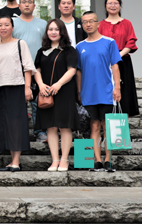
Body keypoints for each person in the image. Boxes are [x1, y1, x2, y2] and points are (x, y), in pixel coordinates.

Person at [76, 11, 122, 173]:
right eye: (85, 22)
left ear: (98, 23)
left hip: (107, 91)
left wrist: (117, 88)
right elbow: (78, 71)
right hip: (88, 93)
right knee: (93, 125)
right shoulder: (79, 46)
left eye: (91, 21)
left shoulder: (109, 42)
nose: (88, 24)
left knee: (107, 126)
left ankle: (108, 160)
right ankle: (97, 160)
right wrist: (79, 91)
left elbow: (115, 66)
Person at [0, 16, 34, 172]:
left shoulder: (20, 44)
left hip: (16, 86)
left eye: (6, 25)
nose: (3, 28)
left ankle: (16, 161)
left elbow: (28, 67)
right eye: (0, 25)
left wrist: (27, 87)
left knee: (16, 123)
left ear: (12, 27)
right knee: (4, 124)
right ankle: (11, 160)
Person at [34, 19, 79, 172]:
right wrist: (41, 85)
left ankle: (64, 160)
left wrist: (58, 84)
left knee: (65, 127)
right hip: (46, 92)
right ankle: (55, 160)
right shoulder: (41, 51)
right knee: (51, 127)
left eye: (56, 29)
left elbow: (72, 70)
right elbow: (36, 70)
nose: (53, 32)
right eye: (50, 29)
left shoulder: (69, 50)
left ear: (62, 32)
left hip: (64, 92)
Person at [12, 0, 48, 143]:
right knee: (18, 103)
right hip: (17, 69)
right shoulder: (12, 23)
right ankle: (20, 134)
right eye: (24, 2)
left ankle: (40, 132)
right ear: (19, 5)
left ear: (34, 6)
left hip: (38, 69)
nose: (27, 4)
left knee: (38, 102)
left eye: (30, 2)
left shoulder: (43, 24)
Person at [98, 0, 139, 117]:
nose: (113, 6)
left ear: (120, 6)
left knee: (124, 91)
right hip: (105, 63)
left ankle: (123, 121)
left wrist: (118, 55)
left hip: (123, 60)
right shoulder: (100, 25)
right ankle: (106, 121)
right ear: (105, 6)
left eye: (116, 3)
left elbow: (131, 41)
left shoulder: (127, 23)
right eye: (110, 3)